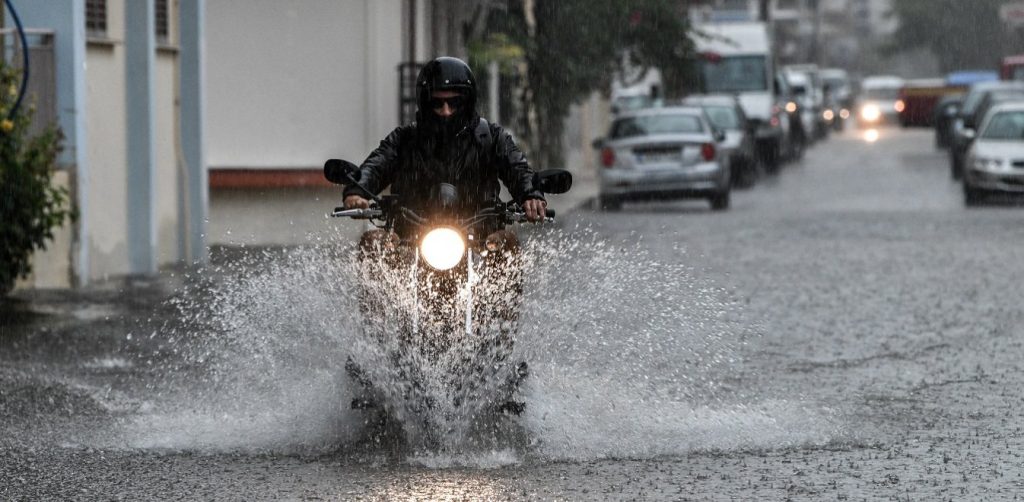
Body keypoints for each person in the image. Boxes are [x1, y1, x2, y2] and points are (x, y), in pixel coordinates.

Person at [342, 56, 546, 256]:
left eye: (454, 102)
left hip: (481, 235)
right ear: (425, 102)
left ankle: (499, 291)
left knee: (507, 244)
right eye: (437, 103)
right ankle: (382, 291)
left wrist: (531, 194)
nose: (446, 111)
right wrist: (357, 190)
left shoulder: (491, 138)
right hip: (410, 236)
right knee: (373, 243)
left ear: (467, 102)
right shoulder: (405, 139)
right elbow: (377, 164)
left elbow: (517, 167)